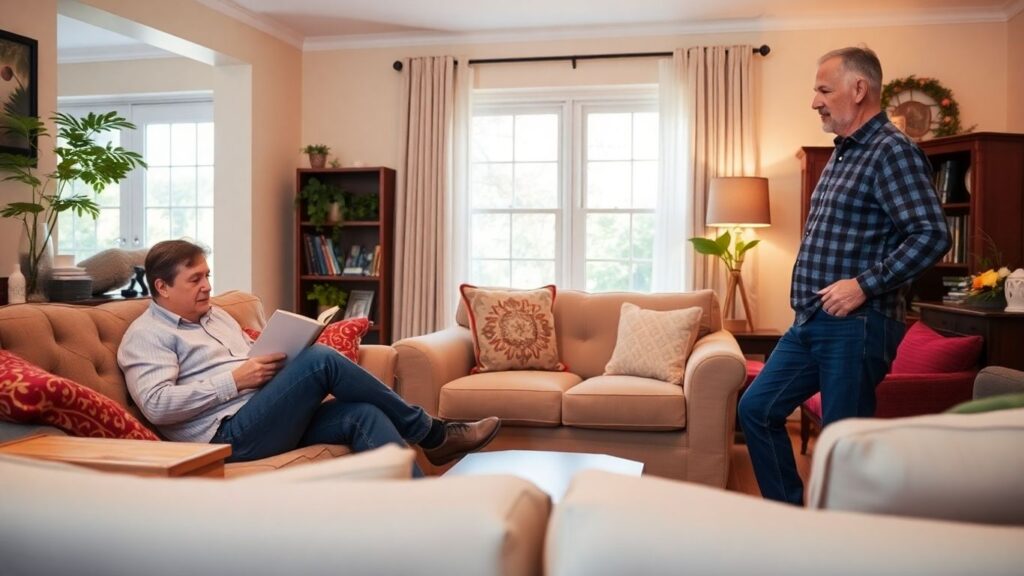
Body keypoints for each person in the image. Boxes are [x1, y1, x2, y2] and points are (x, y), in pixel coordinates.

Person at [738, 46, 950, 505]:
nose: (814, 101)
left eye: (823, 90)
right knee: (756, 408)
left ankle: (841, 538)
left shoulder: (891, 151)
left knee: (843, 446)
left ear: (858, 89)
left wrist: (862, 286)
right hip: (812, 321)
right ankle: (791, 518)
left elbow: (932, 235)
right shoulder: (843, 154)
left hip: (857, 326)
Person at [118, 239, 500, 477]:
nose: (207, 286)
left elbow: (247, 360)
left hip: (265, 415)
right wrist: (235, 381)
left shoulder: (215, 315)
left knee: (363, 415)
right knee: (321, 360)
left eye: (207, 276)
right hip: (226, 437)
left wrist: (276, 361)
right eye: (195, 280)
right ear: (162, 287)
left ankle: (424, 508)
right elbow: (157, 405)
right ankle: (433, 434)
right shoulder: (147, 335)